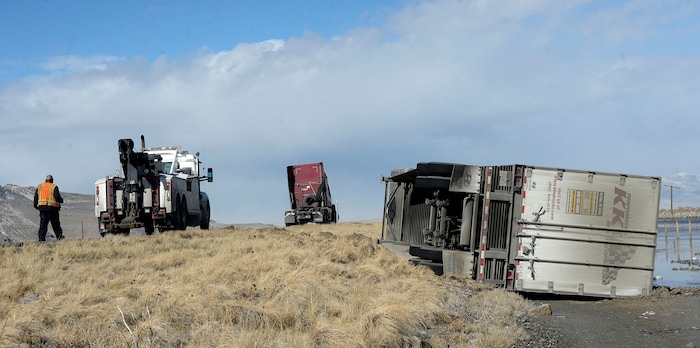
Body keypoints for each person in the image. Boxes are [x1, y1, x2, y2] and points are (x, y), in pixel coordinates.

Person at [33, 174, 65, 241]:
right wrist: (61, 200)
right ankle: (59, 237)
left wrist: (35, 205)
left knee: (43, 224)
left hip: (42, 208)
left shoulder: (40, 186)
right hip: (52, 209)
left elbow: (36, 197)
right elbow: (57, 196)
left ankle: (41, 239)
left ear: (45, 180)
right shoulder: (54, 186)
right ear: (52, 180)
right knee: (55, 224)